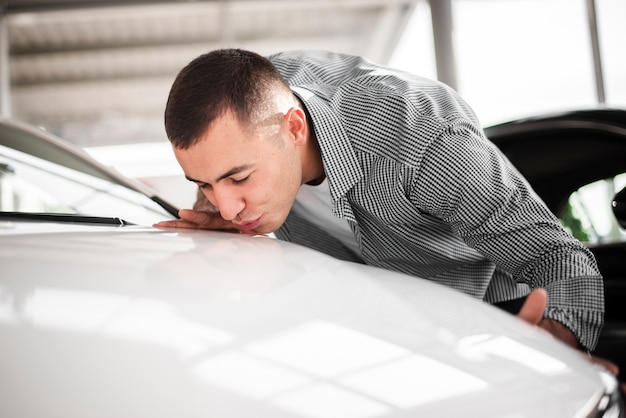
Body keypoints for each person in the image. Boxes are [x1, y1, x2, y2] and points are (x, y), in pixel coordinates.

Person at [155, 48, 609, 363]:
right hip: (373, 334)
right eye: (205, 184)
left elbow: (560, 259)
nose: (229, 206)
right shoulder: (247, 117)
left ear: (294, 128)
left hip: (497, 316)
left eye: (239, 178)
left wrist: (557, 347)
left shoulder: (424, 139)